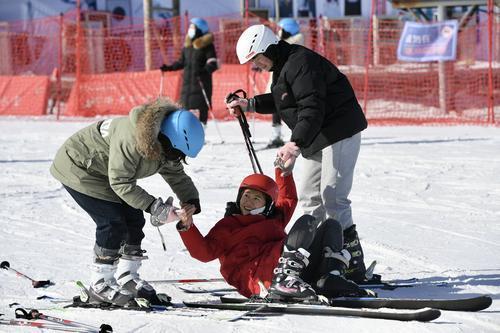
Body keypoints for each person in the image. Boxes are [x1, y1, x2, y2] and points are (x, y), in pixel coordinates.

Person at [225, 24, 369, 283]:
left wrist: (294, 143)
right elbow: (282, 99)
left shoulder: (301, 62)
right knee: (311, 199)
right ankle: (313, 259)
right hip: (317, 136)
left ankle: (350, 262)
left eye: (257, 58)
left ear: (268, 47)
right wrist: (250, 104)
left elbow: (311, 108)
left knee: (333, 196)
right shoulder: (283, 66)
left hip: (338, 130)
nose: (257, 65)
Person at [50, 98, 204, 307]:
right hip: (79, 168)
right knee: (112, 221)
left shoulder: (164, 144)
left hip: (106, 173)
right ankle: (100, 284)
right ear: (166, 140)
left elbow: (175, 174)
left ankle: (126, 276)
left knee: (133, 217)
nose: (178, 158)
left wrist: (190, 199)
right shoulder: (132, 140)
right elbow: (121, 182)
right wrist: (154, 207)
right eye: (177, 153)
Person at [174, 167, 373, 301]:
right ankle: (283, 283)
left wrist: (283, 171)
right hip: (259, 277)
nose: (249, 201)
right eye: (246, 196)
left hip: (296, 271)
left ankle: (329, 277)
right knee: (306, 223)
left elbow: (287, 198)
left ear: (268, 205)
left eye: (256, 198)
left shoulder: (273, 220)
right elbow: (203, 252)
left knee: (329, 224)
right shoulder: (229, 225)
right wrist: (187, 226)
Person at [160, 18, 219, 126]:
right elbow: (181, 62)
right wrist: (168, 68)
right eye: (190, 27)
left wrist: (203, 71)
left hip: (201, 84)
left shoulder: (207, 46)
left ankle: (201, 129)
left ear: (200, 29)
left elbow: (213, 64)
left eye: (193, 27)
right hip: (187, 85)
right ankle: (185, 133)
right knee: (184, 108)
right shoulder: (187, 47)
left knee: (200, 107)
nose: (190, 30)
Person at [265, 18, 305, 149]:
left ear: (288, 30)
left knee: (294, 107)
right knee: (277, 105)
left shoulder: (293, 43)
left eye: (281, 29)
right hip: (280, 80)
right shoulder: (279, 44)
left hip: (290, 81)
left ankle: (300, 135)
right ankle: (277, 135)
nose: (279, 32)